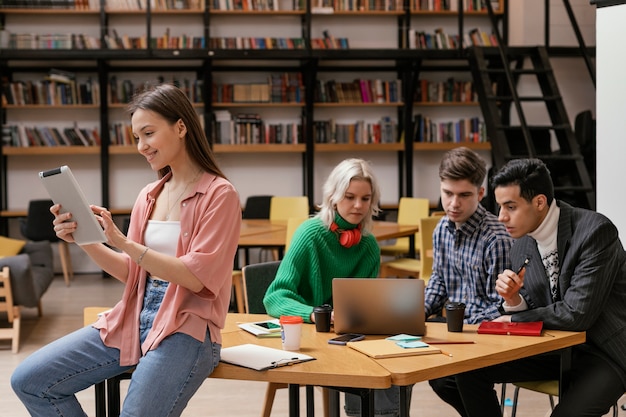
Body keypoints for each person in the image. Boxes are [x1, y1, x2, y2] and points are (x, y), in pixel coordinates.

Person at [11, 83, 242, 417]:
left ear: (181, 127)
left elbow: (196, 278)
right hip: (133, 316)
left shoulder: (221, 195)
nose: (141, 146)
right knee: (30, 380)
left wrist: (122, 242)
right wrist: (86, 239)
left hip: (186, 329)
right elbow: (134, 273)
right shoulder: (148, 195)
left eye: (148, 133)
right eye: (136, 137)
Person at [439, 158, 626, 417]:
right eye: (500, 206)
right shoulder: (521, 246)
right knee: (461, 372)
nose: (501, 216)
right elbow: (537, 304)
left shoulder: (595, 231)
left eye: (510, 206)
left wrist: (513, 318)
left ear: (539, 202)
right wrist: (514, 299)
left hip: (603, 351)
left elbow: (578, 314)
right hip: (553, 349)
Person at [263, 158, 404, 417]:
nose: (359, 205)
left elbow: (361, 304)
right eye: (350, 197)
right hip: (306, 336)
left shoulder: (369, 246)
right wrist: (318, 314)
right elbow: (275, 297)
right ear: (333, 196)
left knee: (394, 359)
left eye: (365, 198)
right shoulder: (309, 234)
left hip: (345, 336)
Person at [425, 146, 513, 414]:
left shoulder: (495, 238)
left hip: (487, 335)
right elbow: (439, 281)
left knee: (455, 374)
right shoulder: (441, 229)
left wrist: (458, 325)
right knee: (435, 374)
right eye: (447, 193)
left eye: (464, 195)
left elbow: (501, 306)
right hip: (457, 330)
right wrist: (417, 310)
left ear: (481, 193)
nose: (453, 204)